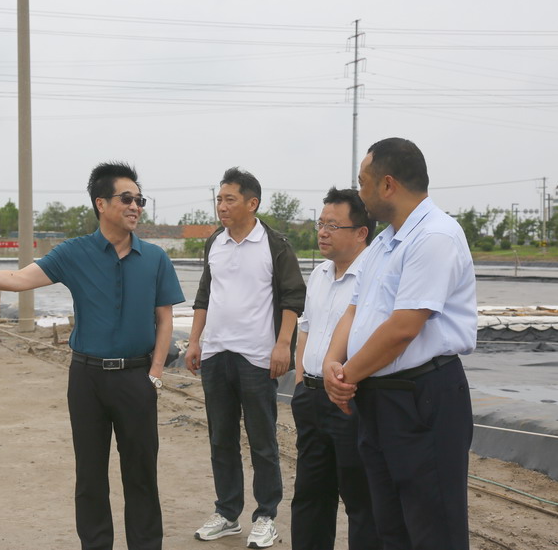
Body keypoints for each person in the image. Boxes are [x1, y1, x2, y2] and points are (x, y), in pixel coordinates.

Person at [0, 162, 184, 550]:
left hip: (136, 377)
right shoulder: (74, 253)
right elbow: (19, 279)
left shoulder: (154, 258)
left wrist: (155, 374)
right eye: (127, 199)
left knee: (141, 475)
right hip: (87, 379)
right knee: (90, 476)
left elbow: (165, 319)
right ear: (101, 203)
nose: (135, 206)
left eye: (140, 200)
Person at [322, 138, 477, 550]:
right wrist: (332, 362)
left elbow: (403, 328)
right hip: (379, 399)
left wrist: (346, 376)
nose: (360, 192)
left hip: (422, 398)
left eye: (363, 182)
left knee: (433, 529)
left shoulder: (435, 236)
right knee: (391, 527)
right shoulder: (382, 245)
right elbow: (353, 310)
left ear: (388, 185)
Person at [185, 167, 305, 549]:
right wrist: (194, 341)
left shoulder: (275, 244)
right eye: (219, 199)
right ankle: (227, 513)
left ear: (252, 203)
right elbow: (204, 295)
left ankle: (266, 516)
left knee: (262, 440)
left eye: (229, 199)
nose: (221, 206)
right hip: (216, 354)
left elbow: (293, 298)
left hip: (256, 357)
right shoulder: (215, 243)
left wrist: (283, 345)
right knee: (221, 438)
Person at [291, 187, 381, 550]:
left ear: (361, 232)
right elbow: (306, 330)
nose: (322, 232)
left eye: (333, 225)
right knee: (310, 495)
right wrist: (301, 384)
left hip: (351, 400)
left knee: (361, 499)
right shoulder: (319, 274)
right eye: (320, 223)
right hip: (312, 398)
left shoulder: (375, 277)